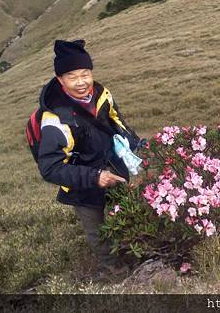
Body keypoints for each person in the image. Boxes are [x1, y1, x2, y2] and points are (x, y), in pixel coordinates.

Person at [36, 39, 141, 278]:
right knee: (98, 231)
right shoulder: (55, 119)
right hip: (82, 185)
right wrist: (95, 177)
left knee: (126, 217)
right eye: (73, 76)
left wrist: (137, 147)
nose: (82, 82)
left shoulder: (102, 94)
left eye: (86, 73)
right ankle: (113, 272)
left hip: (114, 169)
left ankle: (136, 254)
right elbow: (49, 168)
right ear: (60, 80)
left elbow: (118, 124)